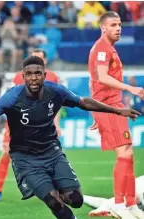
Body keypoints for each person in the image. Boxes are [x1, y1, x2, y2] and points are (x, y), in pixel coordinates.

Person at [0, 56, 140, 218]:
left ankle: (58, 187)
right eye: (29, 74)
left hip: (52, 152)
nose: (34, 78)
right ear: (23, 76)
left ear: (44, 74)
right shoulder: (12, 96)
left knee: (76, 200)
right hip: (25, 159)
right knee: (54, 203)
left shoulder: (56, 91)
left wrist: (116, 110)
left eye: (38, 73)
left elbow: (83, 102)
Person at [88, 11, 144, 218]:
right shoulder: (102, 49)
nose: (118, 28)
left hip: (114, 106)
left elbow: (91, 79)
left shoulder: (108, 48)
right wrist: (131, 89)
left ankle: (131, 203)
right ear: (103, 28)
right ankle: (119, 204)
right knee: (124, 154)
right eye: (113, 25)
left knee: (129, 154)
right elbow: (101, 77)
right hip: (109, 107)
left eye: (119, 24)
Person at [0, 49, 61, 202]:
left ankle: (54, 188)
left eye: (39, 59)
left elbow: (56, 104)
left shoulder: (53, 78)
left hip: (43, 125)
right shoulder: (18, 77)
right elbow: (12, 101)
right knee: (7, 153)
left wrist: (57, 124)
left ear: (45, 62)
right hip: (18, 124)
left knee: (51, 155)